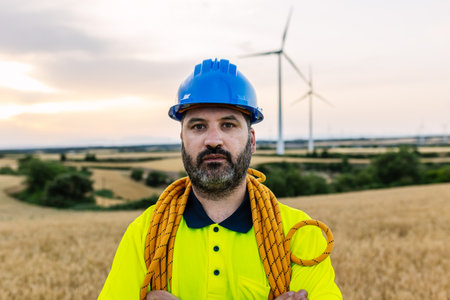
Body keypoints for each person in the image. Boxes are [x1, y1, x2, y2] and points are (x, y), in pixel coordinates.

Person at [99, 58, 342, 300]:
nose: (213, 140)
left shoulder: (299, 233)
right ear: (182, 139)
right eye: (198, 126)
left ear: (252, 140)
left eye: (228, 125)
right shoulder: (145, 233)